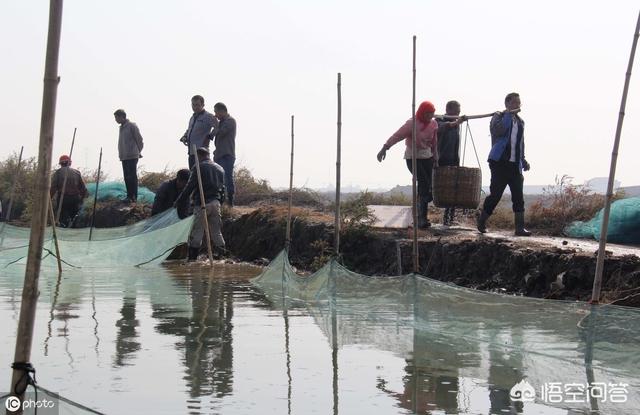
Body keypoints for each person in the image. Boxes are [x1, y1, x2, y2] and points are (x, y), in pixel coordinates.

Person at [377, 101, 439, 229]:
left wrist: (436, 158)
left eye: (431, 114)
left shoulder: (433, 124)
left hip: (427, 157)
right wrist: (385, 147)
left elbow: (434, 143)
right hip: (413, 157)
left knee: (427, 186)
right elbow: (398, 135)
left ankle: (421, 216)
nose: (429, 116)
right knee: (423, 183)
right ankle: (421, 218)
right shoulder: (412, 123)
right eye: (427, 114)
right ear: (422, 112)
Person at [477, 92, 531, 236]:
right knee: (496, 194)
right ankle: (482, 220)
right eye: (514, 103)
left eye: (519, 103)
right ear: (507, 104)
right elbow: (498, 131)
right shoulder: (498, 117)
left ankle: (519, 228)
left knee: (518, 196)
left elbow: (520, 143)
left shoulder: (520, 122)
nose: (517, 106)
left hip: (515, 164)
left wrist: (523, 159)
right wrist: (508, 114)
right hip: (499, 162)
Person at [175, 147, 226, 261]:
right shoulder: (220, 168)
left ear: (199, 155)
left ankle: (192, 260)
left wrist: (179, 201)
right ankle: (222, 258)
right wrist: (220, 202)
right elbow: (223, 189)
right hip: (216, 203)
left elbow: (190, 186)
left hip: (202, 204)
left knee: (197, 232)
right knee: (216, 232)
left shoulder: (198, 167)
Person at [436, 100, 467, 226]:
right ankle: (421, 217)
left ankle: (449, 218)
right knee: (434, 189)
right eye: (456, 112)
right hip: (440, 159)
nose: (458, 114)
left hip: (453, 159)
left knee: (453, 189)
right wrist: (456, 122)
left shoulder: (456, 124)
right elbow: (442, 128)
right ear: (449, 110)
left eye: (459, 112)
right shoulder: (439, 119)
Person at [180, 95, 219, 169]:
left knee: (201, 177)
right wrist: (185, 136)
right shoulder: (192, 117)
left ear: (203, 105)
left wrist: (209, 137)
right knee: (193, 176)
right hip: (191, 152)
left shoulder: (208, 116)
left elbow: (217, 126)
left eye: (197, 105)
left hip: (202, 154)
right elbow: (189, 130)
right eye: (193, 105)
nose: (195, 107)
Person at [114, 109, 144, 203]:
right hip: (124, 156)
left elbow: (139, 140)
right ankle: (129, 196)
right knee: (127, 176)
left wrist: (138, 151)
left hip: (132, 155)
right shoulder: (121, 127)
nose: (116, 120)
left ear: (122, 116)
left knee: (132, 176)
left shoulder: (131, 126)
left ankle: (133, 197)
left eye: (117, 117)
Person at [50, 155, 88, 227]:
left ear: (60, 164)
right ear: (69, 163)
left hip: (63, 198)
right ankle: (74, 230)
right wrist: (83, 198)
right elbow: (83, 188)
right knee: (74, 218)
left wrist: (49, 198)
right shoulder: (77, 172)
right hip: (75, 199)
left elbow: (53, 187)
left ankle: (63, 230)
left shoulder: (58, 173)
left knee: (62, 219)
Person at [213, 102, 237, 207]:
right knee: (218, 180)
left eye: (216, 112)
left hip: (227, 154)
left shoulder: (230, 121)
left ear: (222, 111)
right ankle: (222, 202)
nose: (215, 115)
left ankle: (230, 201)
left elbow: (221, 132)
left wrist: (215, 125)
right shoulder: (221, 122)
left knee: (227, 177)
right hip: (219, 154)